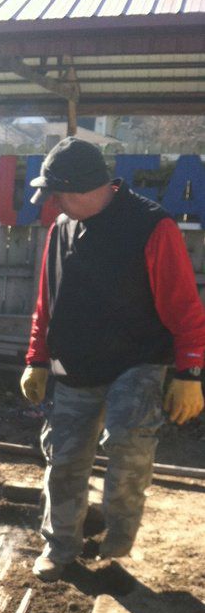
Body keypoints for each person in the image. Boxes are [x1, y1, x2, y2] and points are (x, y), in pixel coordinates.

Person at [20, 137, 205, 582]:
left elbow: (185, 306)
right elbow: (47, 302)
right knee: (63, 460)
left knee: (127, 443)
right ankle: (60, 546)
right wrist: (37, 358)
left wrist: (190, 371)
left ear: (87, 187)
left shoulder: (149, 225)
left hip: (136, 360)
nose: (53, 203)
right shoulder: (61, 229)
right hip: (76, 363)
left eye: (59, 193)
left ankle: (117, 543)